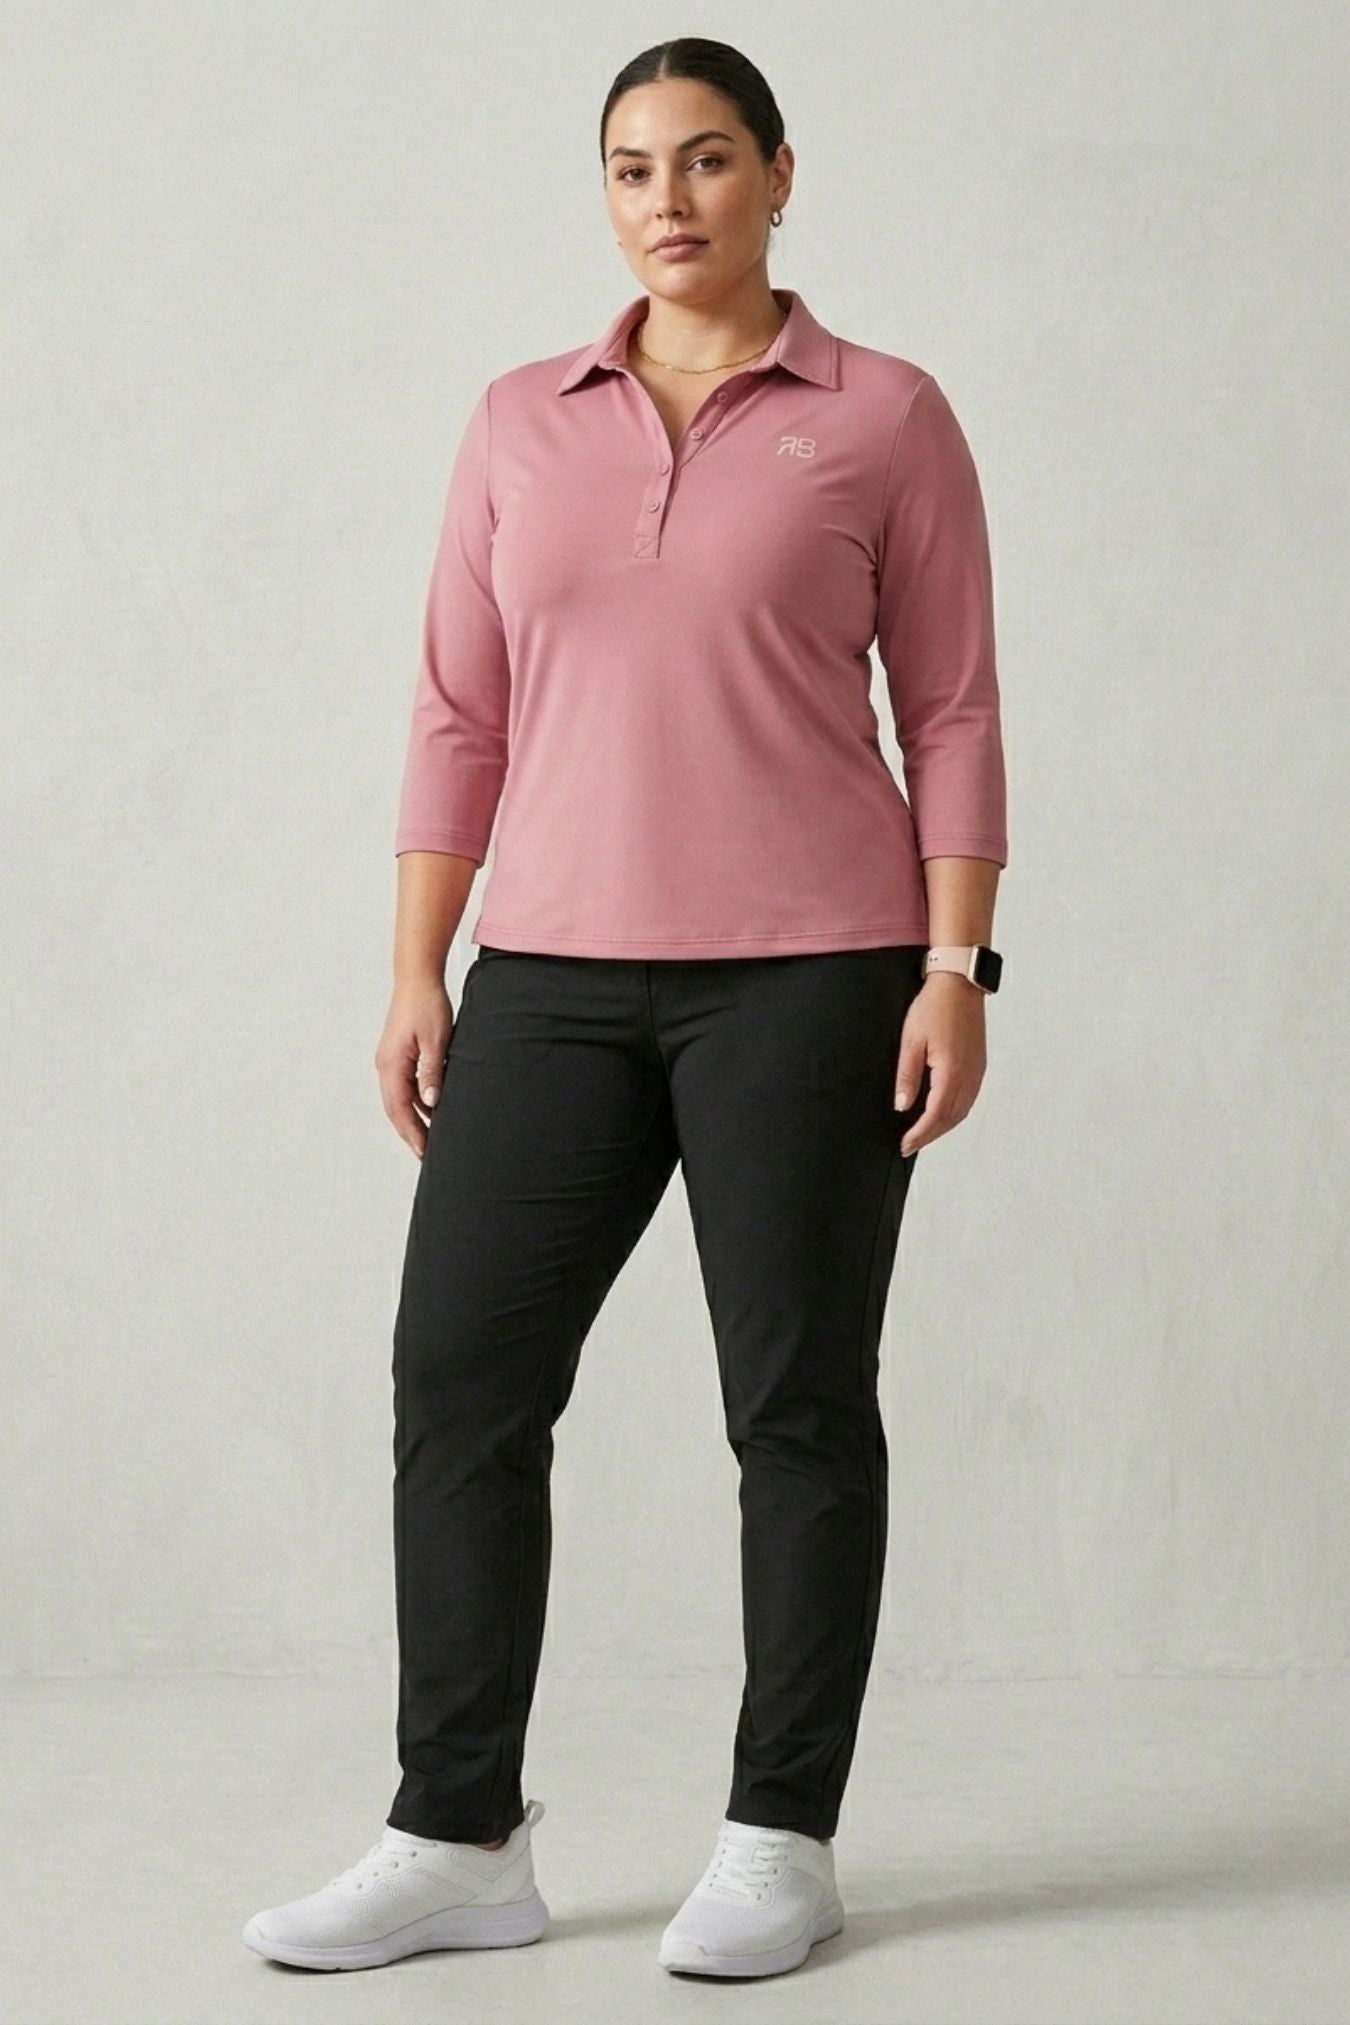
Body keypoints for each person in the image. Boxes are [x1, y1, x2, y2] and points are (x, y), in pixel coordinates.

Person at [244, 33, 1008, 1985]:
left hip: (816, 976)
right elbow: (458, 706)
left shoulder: (885, 415)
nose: (668, 199)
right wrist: (416, 965)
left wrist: (951, 965)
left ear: (779, 175)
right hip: (552, 978)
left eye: (708, 158)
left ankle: (778, 1835)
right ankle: (456, 1831)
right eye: (631, 167)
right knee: (459, 1379)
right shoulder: (520, 419)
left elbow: (950, 708)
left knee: (797, 1405)